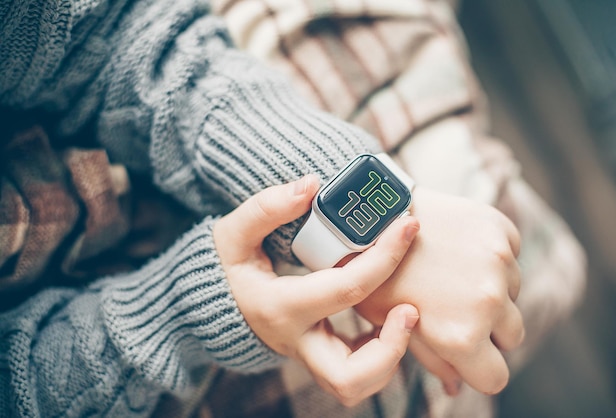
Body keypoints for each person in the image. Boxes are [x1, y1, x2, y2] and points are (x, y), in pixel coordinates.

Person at [0, 1, 573, 418]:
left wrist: (378, 236)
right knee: (538, 275)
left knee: (527, 263)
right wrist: (184, 314)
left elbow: (102, 35)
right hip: (138, 361)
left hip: (221, 138)